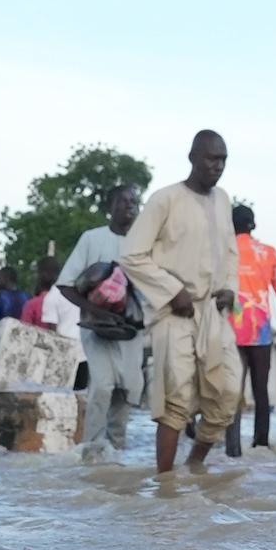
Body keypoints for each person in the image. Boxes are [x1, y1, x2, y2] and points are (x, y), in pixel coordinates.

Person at [121, 131, 242, 474]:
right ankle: (166, 483)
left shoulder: (223, 200)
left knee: (229, 392)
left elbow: (231, 253)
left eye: (223, 160)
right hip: (174, 312)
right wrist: (172, 291)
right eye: (210, 158)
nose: (217, 166)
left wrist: (230, 288)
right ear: (192, 157)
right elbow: (132, 254)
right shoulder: (165, 199)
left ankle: (194, 466)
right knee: (176, 397)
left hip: (213, 314)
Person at [62, 185, 149, 459]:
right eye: (123, 201)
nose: (130, 206)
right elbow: (66, 284)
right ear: (109, 208)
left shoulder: (145, 244)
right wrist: (97, 311)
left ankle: (116, 457)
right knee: (102, 386)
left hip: (132, 330)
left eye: (134, 202)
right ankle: (91, 454)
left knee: (127, 390)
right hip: (98, 329)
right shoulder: (92, 238)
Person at [226, 204, 276, 456]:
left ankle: (232, 449)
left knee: (231, 391)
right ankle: (260, 443)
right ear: (254, 225)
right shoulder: (268, 253)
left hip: (229, 330)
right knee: (261, 390)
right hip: (259, 331)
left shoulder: (223, 251)